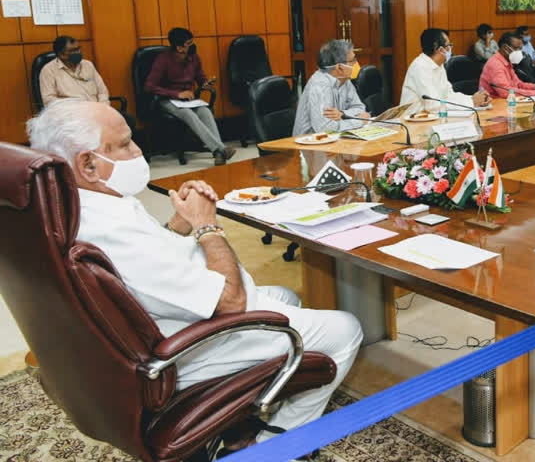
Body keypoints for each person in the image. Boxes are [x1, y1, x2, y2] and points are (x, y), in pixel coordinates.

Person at [26, 99, 363, 454]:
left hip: (161, 322)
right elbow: (232, 303)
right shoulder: (111, 228)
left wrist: (178, 226)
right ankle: (269, 447)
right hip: (184, 349)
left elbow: (145, 265)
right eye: (125, 143)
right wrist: (207, 226)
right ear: (88, 164)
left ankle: (245, 417)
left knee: (285, 296)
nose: (138, 150)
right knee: (346, 330)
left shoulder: (81, 208)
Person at [145, 27, 234, 166]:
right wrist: (177, 94)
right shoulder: (163, 60)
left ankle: (218, 152)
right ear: (179, 48)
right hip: (167, 99)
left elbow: (199, 76)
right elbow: (150, 86)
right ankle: (220, 149)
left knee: (205, 111)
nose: (192, 45)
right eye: (188, 43)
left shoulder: (193, 57)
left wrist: (205, 83)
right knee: (188, 114)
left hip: (188, 100)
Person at [39, 36, 136, 130]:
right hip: (72, 117)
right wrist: (77, 112)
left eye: (78, 49)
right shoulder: (48, 70)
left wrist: (103, 108)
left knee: (127, 121)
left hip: (98, 112)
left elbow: (102, 91)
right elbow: (49, 100)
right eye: (73, 50)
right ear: (61, 55)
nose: (78, 52)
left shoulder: (88, 65)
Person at [293, 39, 369, 136]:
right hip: (311, 145)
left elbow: (360, 108)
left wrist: (342, 113)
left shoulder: (345, 79)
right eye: (353, 60)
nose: (356, 63)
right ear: (340, 67)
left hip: (335, 140)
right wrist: (359, 122)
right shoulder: (320, 86)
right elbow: (325, 128)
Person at [401, 28, 490, 110]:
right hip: (413, 121)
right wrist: (471, 102)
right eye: (449, 45)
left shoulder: (439, 65)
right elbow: (433, 106)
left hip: (432, 118)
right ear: (439, 49)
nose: (450, 49)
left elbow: (449, 95)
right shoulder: (420, 67)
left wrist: (474, 98)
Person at [479, 31, 535, 98]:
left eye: (521, 49)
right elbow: (505, 92)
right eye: (517, 48)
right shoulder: (495, 64)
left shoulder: (507, 61)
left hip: (507, 102)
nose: (520, 52)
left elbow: (518, 84)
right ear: (505, 48)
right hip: (494, 105)